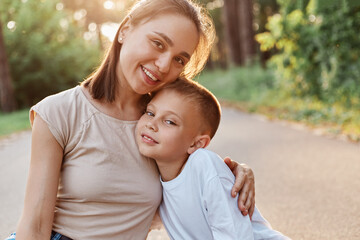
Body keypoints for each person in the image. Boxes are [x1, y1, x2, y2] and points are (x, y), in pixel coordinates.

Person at [9, 0, 256, 240]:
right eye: (158, 43)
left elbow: (195, 180)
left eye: (179, 60)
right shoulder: (59, 112)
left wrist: (234, 175)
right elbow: (35, 227)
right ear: (125, 30)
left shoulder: (160, 127)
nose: (163, 65)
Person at [136, 78, 290, 240]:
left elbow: (234, 234)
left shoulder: (203, 165)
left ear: (196, 143)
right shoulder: (153, 176)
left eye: (169, 121)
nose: (151, 124)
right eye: (150, 113)